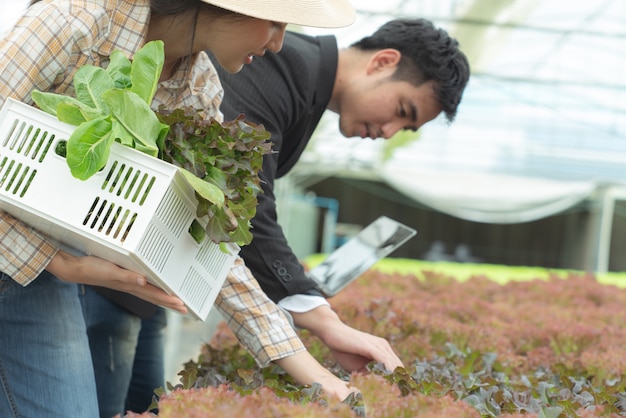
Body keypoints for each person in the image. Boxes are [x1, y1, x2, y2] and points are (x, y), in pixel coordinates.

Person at [0, 0, 360, 417]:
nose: (279, 44)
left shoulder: (200, 90)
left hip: (31, 278)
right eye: (275, 23)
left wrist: (317, 375)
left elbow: (207, 242)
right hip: (38, 261)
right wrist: (59, 262)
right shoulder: (74, 21)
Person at [121, 17, 470, 414]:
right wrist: (325, 323)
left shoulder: (301, 79)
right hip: (104, 272)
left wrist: (320, 317)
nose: (389, 132)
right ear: (383, 62)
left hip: (143, 282)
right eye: (402, 110)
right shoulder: (279, 65)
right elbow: (242, 205)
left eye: (405, 129)